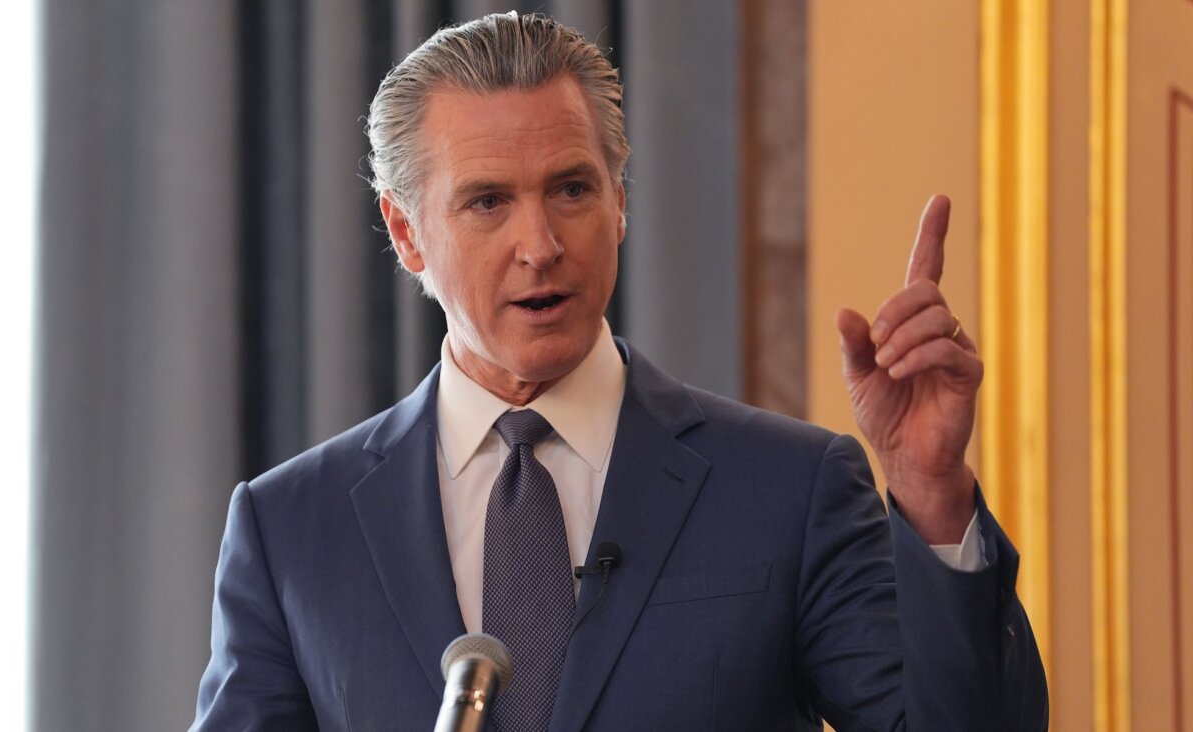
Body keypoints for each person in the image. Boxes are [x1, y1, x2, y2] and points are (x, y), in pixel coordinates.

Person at [192, 12, 1047, 731]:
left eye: (571, 189)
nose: (542, 246)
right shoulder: (292, 530)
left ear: (621, 200)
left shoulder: (790, 490)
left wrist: (933, 493)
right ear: (408, 232)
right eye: (489, 202)